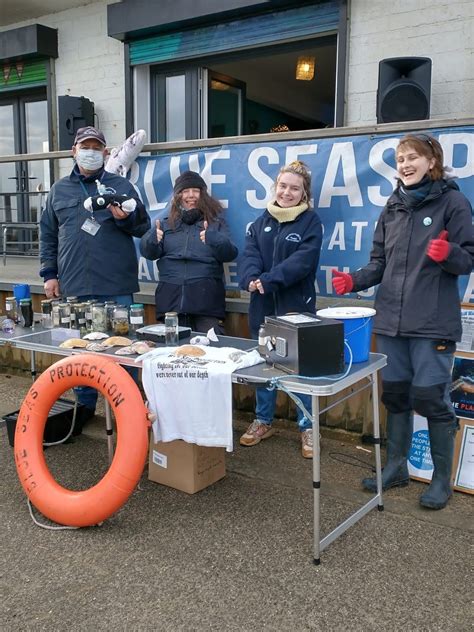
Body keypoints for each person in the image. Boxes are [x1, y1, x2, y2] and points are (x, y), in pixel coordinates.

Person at [332, 133, 474, 509]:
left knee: (430, 397)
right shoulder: (392, 206)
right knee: (395, 397)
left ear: (432, 162)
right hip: (390, 322)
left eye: (413, 157)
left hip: (432, 324)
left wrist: (450, 253)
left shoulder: (454, 202)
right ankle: (396, 466)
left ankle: (441, 479)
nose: (405, 165)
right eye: (400, 159)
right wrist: (354, 280)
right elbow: (379, 263)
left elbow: (469, 258)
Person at [40, 126, 150, 424]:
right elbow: (48, 234)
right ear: (74, 151)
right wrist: (50, 274)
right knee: (80, 354)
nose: (89, 151)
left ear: (105, 152)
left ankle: (129, 411)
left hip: (116, 285)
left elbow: (143, 227)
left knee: (123, 350)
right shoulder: (59, 190)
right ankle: (85, 407)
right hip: (74, 285)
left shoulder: (121, 185)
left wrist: (126, 219)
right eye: (83, 146)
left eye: (96, 146)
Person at [238, 160, 323, 458]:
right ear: (275, 188)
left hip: (296, 310)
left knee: (301, 371)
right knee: (266, 368)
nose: (287, 192)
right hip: (262, 309)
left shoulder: (311, 222)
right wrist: (250, 278)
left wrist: (268, 280)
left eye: (294, 188)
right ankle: (263, 421)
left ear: (304, 193)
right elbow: (249, 254)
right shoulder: (260, 222)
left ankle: (307, 425)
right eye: (283, 186)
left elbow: (303, 262)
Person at [139, 170, 238, 333]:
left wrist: (214, 238)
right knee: (172, 352)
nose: (191, 195)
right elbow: (148, 254)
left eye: (196, 191)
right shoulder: (164, 225)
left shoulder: (216, 224)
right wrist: (150, 239)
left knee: (210, 351)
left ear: (203, 195)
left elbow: (230, 253)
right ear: (178, 196)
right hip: (171, 304)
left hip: (207, 305)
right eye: (185, 191)